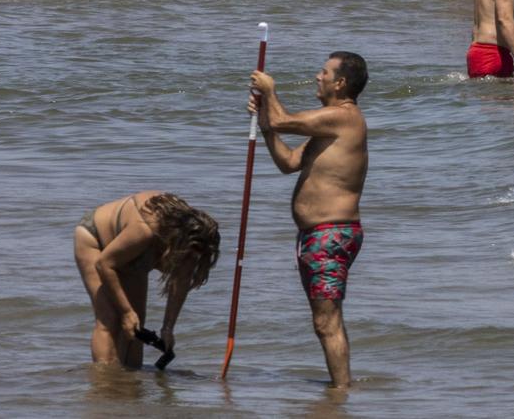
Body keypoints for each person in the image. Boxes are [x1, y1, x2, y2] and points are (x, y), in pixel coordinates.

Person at [248, 53, 370, 391]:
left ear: (340, 83)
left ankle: (340, 394)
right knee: (323, 321)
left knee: (326, 321)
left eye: (324, 72)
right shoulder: (327, 126)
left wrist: (269, 92)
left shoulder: (343, 118)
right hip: (315, 236)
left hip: (330, 235)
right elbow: (288, 162)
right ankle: (340, 387)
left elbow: (285, 120)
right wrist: (264, 123)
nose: (318, 76)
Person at [74, 192, 220, 369]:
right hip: (96, 240)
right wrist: (127, 312)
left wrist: (168, 328)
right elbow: (104, 264)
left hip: (138, 252)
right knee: (110, 318)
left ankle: (131, 382)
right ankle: (105, 381)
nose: (190, 260)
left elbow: (180, 281)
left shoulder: (194, 238)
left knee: (136, 325)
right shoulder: (145, 230)